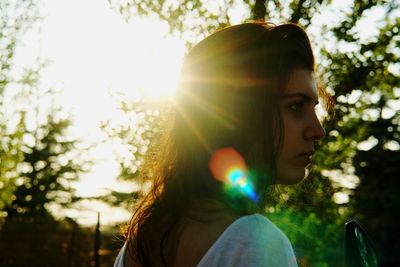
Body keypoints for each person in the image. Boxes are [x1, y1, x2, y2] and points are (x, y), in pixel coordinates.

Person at [114, 21, 330, 267]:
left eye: (314, 108)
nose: (318, 130)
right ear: (238, 115)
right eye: (294, 107)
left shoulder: (140, 240)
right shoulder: (257, 245)